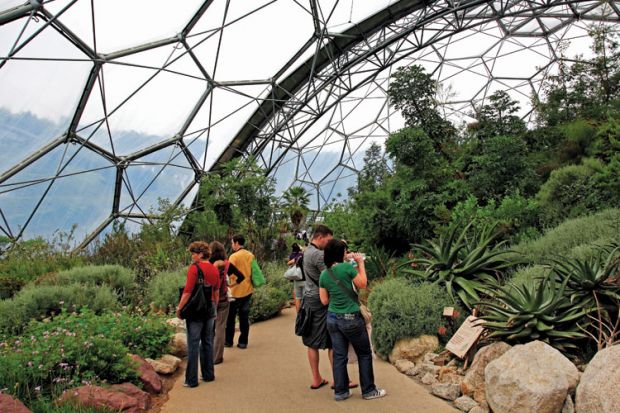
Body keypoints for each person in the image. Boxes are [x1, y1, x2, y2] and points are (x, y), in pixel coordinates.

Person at [319, 239, 387, 401]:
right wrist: (360, 263)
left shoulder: (324, 273)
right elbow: (362, 284)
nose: (346, 253)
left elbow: (324, 300)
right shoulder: (347, 268)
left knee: (339, 356)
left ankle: (341, 392)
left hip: (333, 318)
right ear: (339, 253)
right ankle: (369, 390)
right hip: (351, 317)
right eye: (344, 251)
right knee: (364, 354)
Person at [301, 224, 357, 390]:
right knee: (335, 342)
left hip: (309, 299)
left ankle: (316, 378)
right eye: (329, 239)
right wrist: (347, 262)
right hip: (322, 301)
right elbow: (333, 273)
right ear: (320, 237)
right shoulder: (318, 255)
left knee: (311, 341)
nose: (330, 243)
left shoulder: (307, 252)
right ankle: (340, 380)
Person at [177, 241, 221, 388]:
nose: (192, 256)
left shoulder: (194, 269)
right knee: (208, 341)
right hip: (210, 309)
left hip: (196, 311)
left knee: (193, 344)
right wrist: (214, 308)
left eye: (194, 253)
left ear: (201, 254)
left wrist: (179, 308)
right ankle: (208, 374)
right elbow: (216, 290)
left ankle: (191, 380)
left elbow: (188, 291)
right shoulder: (214, 269)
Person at [209, 240, 246, 364]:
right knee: (220, 328)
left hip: (210, 300)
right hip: (224, 299)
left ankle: (208, 355)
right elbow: (241, 276)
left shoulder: (208, 263)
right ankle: (217, 357)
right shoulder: (226, 264)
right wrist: (231, 285)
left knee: (210, 328)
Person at [226, 234, 255, 349]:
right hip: (248, 289)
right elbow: (254, 271)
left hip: (234, 290)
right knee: (244, 317)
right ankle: (243, 342)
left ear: (237, 243)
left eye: (232, 243)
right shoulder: (250, 255)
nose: (232, 245)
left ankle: (228, 341)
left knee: (231, 318)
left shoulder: (233, 257)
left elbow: (229, 274)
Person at [287, 242, 304, 312]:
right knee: (304, 296)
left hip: (295, 276)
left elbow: (288, 263)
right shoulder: (301, 255)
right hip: (303, 276)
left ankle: (298, 314)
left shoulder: (291, 255)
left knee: (297, 297)